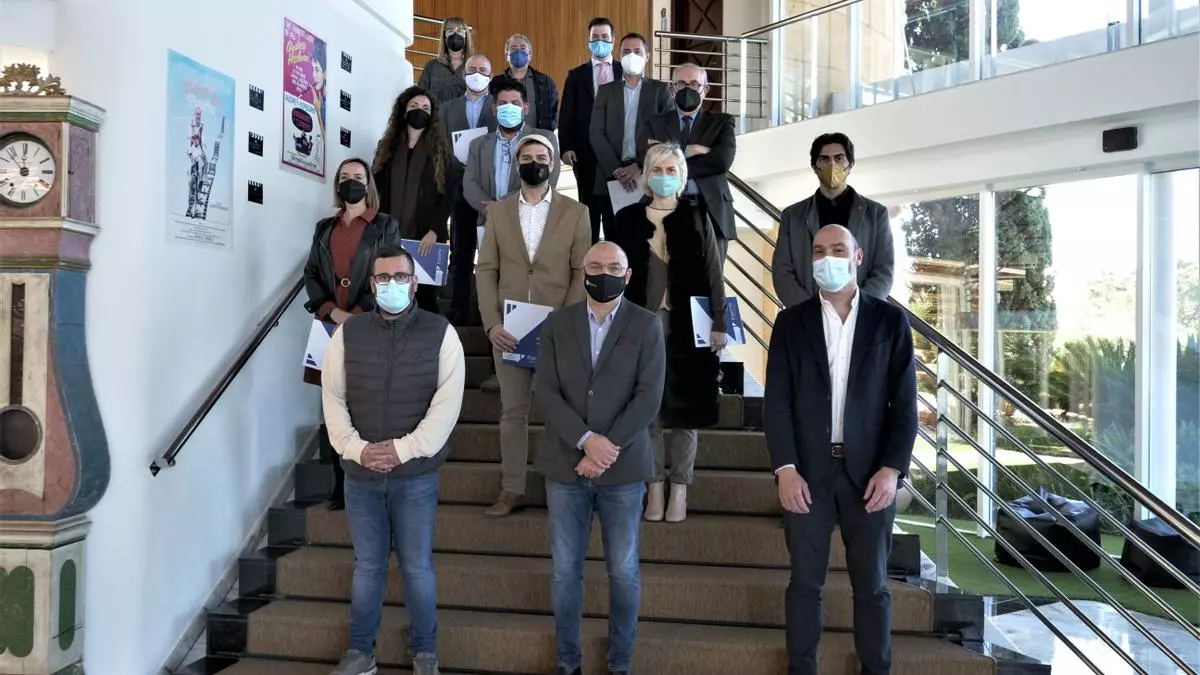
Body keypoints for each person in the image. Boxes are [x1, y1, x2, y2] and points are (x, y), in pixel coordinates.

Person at [763, 224, 917, 675]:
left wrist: (892, 469)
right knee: (804, 585)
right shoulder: (791, 322)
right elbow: (777, 403)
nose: (826, 258)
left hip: (870, 476)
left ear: (857, 257)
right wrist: (785, 468)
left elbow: (905, 407)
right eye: (818, 251)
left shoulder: (891, 322)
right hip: (807, 474)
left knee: (872, 587)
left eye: (837, 249)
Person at [322, 245, 466, 675]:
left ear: (414, 283)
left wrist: (401, 450)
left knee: (417, 567)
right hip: (360, 475)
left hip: (415, 477)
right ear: (372, 285)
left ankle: (425, 653)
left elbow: (446, 408)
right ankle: (361, 653)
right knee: (367, 567)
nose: (391, 285)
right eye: (383, 278)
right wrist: (357, 449)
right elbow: (332, 398)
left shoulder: (441, 333)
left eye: (400, 277)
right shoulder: (348, 334)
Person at [533, 241, 666, 675]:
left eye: (613, 267)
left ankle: (619, 663)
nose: (603, 273)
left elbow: (648, 397)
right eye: (595, 266)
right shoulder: (557, 323)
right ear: (582, 272)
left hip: (623, 469)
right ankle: (567, 662)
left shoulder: (646, 325)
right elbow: (545, 390)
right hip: (565, 465)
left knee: (623, 572)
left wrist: (605, 448)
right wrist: (585, 439)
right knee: (564, 573)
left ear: (628, 275)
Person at [607, 143, 727, 524]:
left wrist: (720, 322)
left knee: (686, 410)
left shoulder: (697, 216)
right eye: (656, 169)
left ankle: (680, 488)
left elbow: (714, 273)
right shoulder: (627, 219)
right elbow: (614, 275)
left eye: (671, 170)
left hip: (689, 325)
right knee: (647, 410)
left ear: (682, 176)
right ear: (645, 175)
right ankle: (654, 485)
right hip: (640, 324)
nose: (663, 176)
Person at [475, 134, 591, 517]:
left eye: (542, 157)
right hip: (508, 330)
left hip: (557, 328)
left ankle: (564, 486)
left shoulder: (576, 213)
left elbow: (581, 271)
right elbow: (485, 269)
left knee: (562, 410)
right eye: (527, 157)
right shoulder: (499, 211)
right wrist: (491, 324)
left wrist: (566, 322)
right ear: (517, 164)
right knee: (513, 412)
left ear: (552, 164)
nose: (534, 163)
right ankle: (512, 488)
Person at [303, 158, 403, 510]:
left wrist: (356, 314)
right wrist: (332, 312)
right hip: (328, 324)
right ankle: (339, 485)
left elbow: (390, 271)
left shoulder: (386, 225)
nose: (351, 182)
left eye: (358, 177)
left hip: (371, 323)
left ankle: (375, 478)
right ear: (337, 185)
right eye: (344, 177)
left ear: (368, 184)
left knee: (369, 402)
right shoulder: (323, 228)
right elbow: (311, 273)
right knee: (333, 405)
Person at [772, 133, 895, 308]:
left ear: (850, 164)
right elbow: (782, 272)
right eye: (824, 159)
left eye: (839, 158)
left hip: (861, 315)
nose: (832, 165)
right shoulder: (792, 216)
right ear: (814, 167)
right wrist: (810, 311)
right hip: (807, 316)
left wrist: (858, 309)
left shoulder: (876, 214)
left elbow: (883, 270)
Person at [638, 62, 737, 263]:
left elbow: (721, 162)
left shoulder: (722, 122)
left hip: (711, 210)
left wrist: (669, 162)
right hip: (662, 206)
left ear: (705, 90)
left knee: (710, 277)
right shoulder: (654, 122)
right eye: (682, 84)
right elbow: (646, 158)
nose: (687, 89)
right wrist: (689, 150)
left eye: (694, 84)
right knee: (663, 274)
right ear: (672, 88)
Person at [372, 86, 455, 313]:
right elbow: (376, 189)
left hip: (426, 237)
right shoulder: (387, 148)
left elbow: (448, 196)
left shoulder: (441, 151)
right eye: (414, 106)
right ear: (404, 110)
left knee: (424, 299)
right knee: (391, 294)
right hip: (391, 235)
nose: (420, 110)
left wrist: (435, 230)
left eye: (425, 107)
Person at [589, 32, 673, 231]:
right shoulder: (606, 91)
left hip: (648, 176)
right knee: (613, 236)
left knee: (646, 238)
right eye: (626, 51)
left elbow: (667, 134)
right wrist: (616, 170)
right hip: (610, 177)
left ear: (647, 56)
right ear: (619, 57)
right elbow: (595, 132)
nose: (632, 55)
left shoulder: (661, 91)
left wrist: (640, 165)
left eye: (637, 51)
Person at [442, 53, 498, 325]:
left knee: (494, 255)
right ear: (464, 74)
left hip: (492, 193)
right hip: (459, 190)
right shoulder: (447, 109)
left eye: (483, 70)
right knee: (461, 253)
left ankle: (491, 313)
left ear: (491, 75)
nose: (477, 74)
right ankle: (459, 308)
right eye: (472, 69)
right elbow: (441, 147)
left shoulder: (500, 107)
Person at [561, 17, 622, 244]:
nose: (600, 41)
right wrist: (566, 147)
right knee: (588, 217)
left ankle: (616, 262)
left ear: (613, 40)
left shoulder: (624, 71)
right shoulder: (576, 75)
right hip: (585, 155)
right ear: (588, 41)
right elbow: (566, 114)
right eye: (595, 37)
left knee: (616, 219)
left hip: (618, 158)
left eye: (604, 37)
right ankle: (589, 262)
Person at [493, 33, 559, 132]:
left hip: (536, 138)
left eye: (523, 48)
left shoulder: (545, 83)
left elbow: (555, 115)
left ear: (530, 56)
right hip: (504, 137)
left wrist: (548, 137)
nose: (518, 52)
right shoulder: (496, 82)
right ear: (506, 56)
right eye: (513, 48)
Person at [419, 16, 472, 105]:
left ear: (466, 36)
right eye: (450, 31)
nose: (455, 35)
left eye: (460, 31)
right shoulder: (432, 66)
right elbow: (420, 95)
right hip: (438, 114)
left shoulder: (474, 67)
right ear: (444, 36)